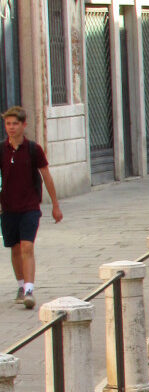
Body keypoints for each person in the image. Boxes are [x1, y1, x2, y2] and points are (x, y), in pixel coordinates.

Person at [1, 106, 60, 309]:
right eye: (8, 124)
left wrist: (55, 205)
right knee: (15, 249)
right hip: (8, 208)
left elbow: (47, 177)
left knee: (27, 247)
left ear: (23, 125)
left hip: (29, 207)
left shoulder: (34, 149)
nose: (11, 128)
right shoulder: (1, 150)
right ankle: (20, 285)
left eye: (15, 124)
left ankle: (28, 289)